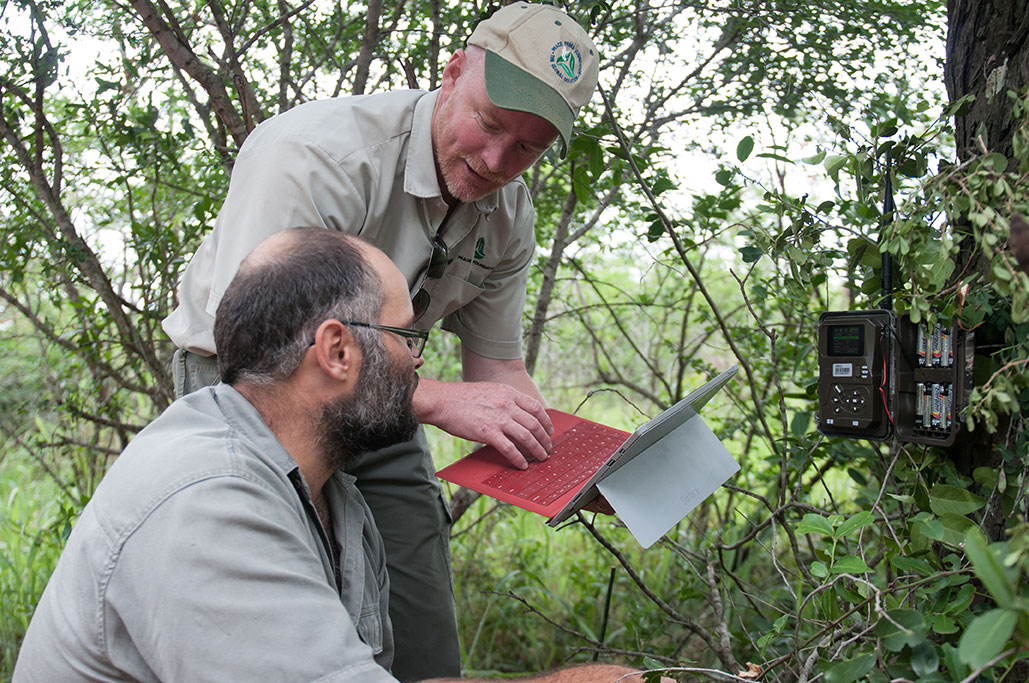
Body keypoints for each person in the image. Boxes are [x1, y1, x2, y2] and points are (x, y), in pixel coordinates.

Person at [161, 4, 601, 680]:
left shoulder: (507, 214)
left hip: (384, 402)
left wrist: (563, 464)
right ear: (452, 74)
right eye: (488, 124)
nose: (495, 159)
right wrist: (439, 397)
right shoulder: (316, 156)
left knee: (415, 599)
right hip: (248, 394)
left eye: (526, 148)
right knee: (268, 614)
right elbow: (260, 341)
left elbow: (499, 367)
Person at [14, 229, 657, 683]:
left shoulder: (326, 490)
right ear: (338, 351)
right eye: (407, 336)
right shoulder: (206, 503)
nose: (418, 359)